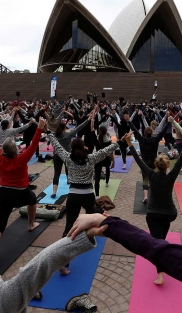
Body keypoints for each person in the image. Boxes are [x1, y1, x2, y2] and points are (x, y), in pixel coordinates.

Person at [47, 129, 118, 275]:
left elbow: (57, 145)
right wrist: (121, 142)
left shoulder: (67, 157)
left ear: (72, 148)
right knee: (95, 217)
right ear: (83, 147)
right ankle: (98, 232)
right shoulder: (90, 158)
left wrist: (48, 132)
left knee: (69, 228)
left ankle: (63, 263)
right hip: (88, 195)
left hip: (73, 195)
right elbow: (106, 150)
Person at [125, 131, 182, 284]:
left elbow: (138, 160)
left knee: (157, 243)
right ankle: (164, 255)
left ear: (155, 165)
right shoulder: (171, 176)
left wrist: (129, 143)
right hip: (169, 214)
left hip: (154, 214)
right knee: (161, 239)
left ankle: (161, 274)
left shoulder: (151, 175)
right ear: (167, 166)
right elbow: (180, 160)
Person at [0, 116, 46, 255]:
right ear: (15, 150)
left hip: (3, 194)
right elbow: (34, 145)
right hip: (21, 193)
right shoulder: (22, 159)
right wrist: (40, 126)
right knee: (32, 199)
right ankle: (31, 225)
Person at [129, 114, 170, 202]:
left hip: (144, 163)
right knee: (154, 177)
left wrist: (129, 121)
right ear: (151, 133)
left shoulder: (141, 139)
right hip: (154, 162)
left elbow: (135, 131)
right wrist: (169, 123)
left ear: (144, 133)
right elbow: (163, 132)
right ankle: (154, 191)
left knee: (145, 178)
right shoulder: (155, 140)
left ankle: (145, 197)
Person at [49, 117, 90, 198]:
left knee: (57, 173)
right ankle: (68, 180)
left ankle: (54, 192)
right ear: (64, 128)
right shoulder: (68, 135)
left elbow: (46, 130)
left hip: (57, 156)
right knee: (69, 168)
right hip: (67, 156)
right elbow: (79, 127)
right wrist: (88, 120)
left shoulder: (54, 135)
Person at [91, 117, 115, 197]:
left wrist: (92, 118)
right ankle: (107, 183)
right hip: (106, 159)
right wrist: (113, 161)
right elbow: (111, 153)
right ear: (106, 132)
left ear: (99, 131)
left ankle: (97, 195)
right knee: (107, 169)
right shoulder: (109, 141)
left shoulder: (96, 140)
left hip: (98, 160)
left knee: (97, 178)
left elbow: (92, 129)